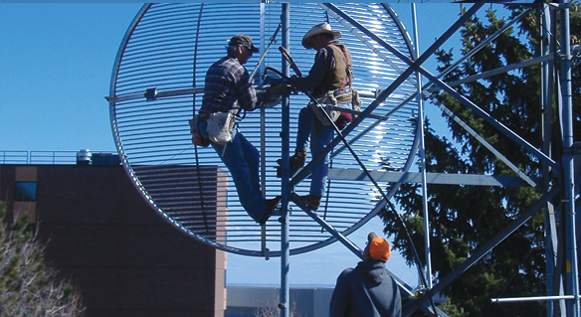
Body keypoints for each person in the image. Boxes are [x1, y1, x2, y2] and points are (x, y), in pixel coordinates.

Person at [197, 34, 280, 225]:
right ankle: (259, 212)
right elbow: (250, 103)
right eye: (249, 52)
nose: (249, 56)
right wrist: (270, 92)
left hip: (213, 122)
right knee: (240, 169)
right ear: (240, 49)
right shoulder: (238, 70)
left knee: (252, 156)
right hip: (219, 125)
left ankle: (259, 203)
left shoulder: (216, 65)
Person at [286, 22, 356, 210]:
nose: (314, 46)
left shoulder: (325, 52)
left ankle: (315, 194)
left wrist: (293, 82)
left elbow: (312, 81)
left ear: (318, 37)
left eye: (313, 42)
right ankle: (300, 154)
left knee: (322, 152)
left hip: (328, 107)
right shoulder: (343, 51)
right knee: (305, 114)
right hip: (342, 104)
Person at [329, 232, 402, 317]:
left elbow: (336, 312)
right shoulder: (392, 284)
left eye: (367, 245)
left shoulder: (349, 277)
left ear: (367, 253)